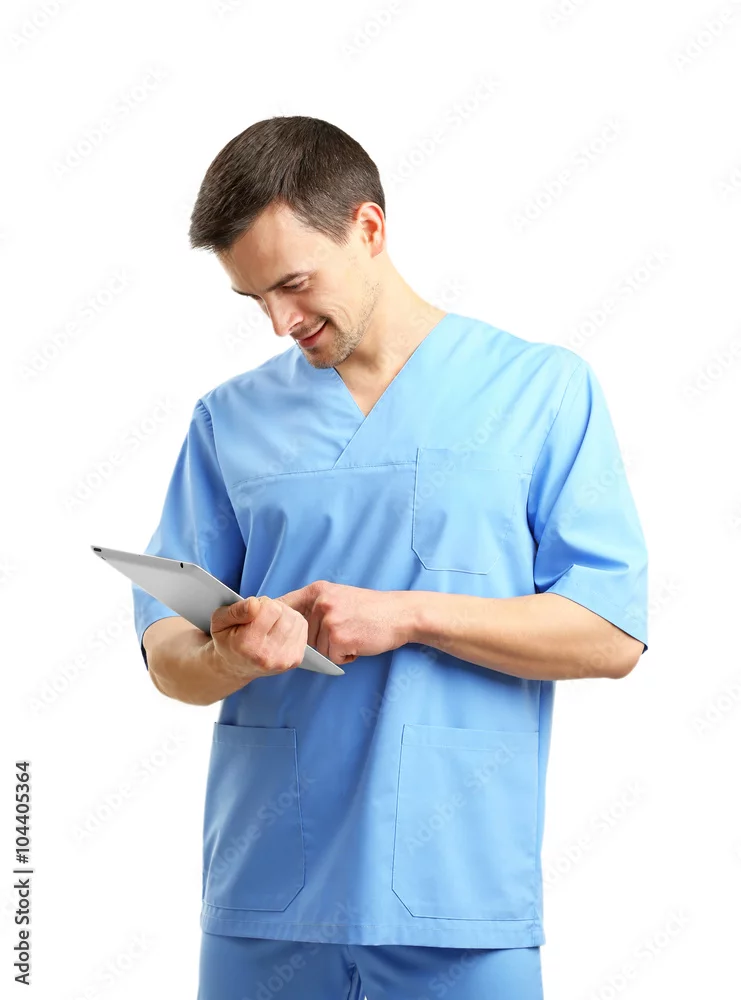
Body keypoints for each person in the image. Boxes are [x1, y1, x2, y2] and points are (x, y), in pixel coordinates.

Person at [132, 116, 648, 1000]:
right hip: (269, 898)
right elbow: (167, 656)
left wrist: (408, 615)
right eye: (254, 299)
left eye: (293, 284)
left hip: (457, 898)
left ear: (367, 228)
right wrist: (230, 655)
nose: (279, 322)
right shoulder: (229, 419)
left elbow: (610, 634)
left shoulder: (539, 391)